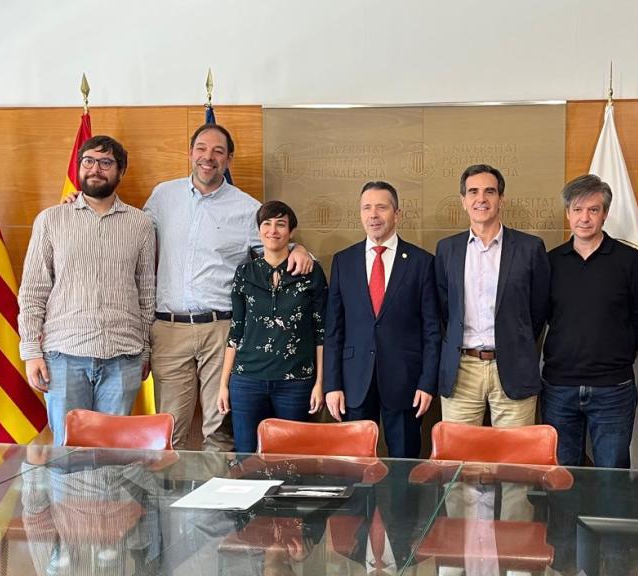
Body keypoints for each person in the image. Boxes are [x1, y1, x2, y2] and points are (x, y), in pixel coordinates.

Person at [144, 123, 312, 451]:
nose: (209, 157)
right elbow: (130, 232)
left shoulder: (247, 208)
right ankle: (165, 502)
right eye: (202, 149)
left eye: (218, 151)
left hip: (221, 329)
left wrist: (299, 249)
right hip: (169, 329)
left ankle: (216, 502)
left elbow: (275, 247)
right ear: (191, 153)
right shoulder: (163, 196)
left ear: (229, 159)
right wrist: (81, 204)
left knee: (218, 430)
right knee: (168, 431)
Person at [19, 135, 155, 445]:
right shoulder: (51, 220)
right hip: (64, 356)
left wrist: (145, 350)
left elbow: (147, 292)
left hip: (124, 357)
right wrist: (30, 352)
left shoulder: (140, 224)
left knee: (113, 455)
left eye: (106, 163)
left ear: (120, 171)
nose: (95, 169)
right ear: (79, 167)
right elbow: (33, 290)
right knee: (67, 454)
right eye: (88, 161)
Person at [542, 174, 638, 468]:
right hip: (559, 388)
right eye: (577, 210)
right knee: (562, 476)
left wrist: (617, 351)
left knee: (611, 477)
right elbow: (540, 315)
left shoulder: (629, 260)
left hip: (612, 388)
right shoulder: (551, 262)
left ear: (605, 214)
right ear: (568, 214)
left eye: (593, 210)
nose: (585, 218)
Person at [324, 181, 440, 458]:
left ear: (396, 214)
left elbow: (432, 330)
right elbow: (334, 329)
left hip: (406, 382)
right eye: (366, 208)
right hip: (354, 382)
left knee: (404, 466)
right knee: (355, 468)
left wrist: (427, 383)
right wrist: (332, 384)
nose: (373, 215)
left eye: (381, 207)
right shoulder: (344, 261)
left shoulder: (421, 262)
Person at [435, 164, 550, 428]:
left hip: (513, 366)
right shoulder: (447, 249)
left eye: (490, 191)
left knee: (514, 463)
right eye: (473, 192)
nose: (481, 199)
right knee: (458, 458)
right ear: (463, 201)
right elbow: (444, 309)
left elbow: (538, 311)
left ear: (501, 199)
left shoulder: (530, 248)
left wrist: (515, 341)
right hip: (461, 370)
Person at [216, 201, 326, 453]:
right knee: (246, 457)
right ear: (258, 231)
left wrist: (320, 383)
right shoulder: (245, 273)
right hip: (247, 381)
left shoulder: (310, 272)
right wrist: (224, 384)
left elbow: (321, 331)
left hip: (295, 381)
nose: (273, 230)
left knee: (292, 459)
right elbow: (236, 331)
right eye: (266, 224)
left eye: (280, 224)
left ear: (291, 232)